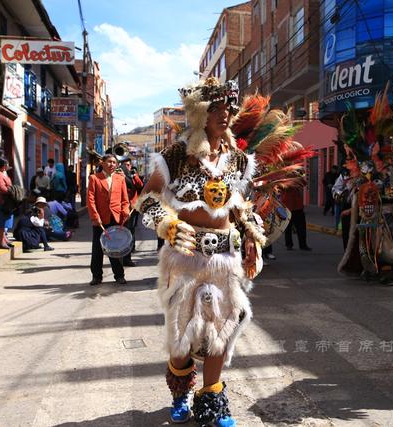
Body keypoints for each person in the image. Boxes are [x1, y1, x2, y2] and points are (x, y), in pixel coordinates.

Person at [136, 77, 264, 426]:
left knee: (220, 331)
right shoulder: (177, 155)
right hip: (185, 258)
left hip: (226, 259)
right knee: (183, 335)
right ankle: (180, 390)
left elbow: (241, 206)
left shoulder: (237, 159)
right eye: (217, 109)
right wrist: (169, 225)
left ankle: (212, 399)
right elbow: (146, 200)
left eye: (229, 110)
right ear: (201, 113)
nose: (225, 116)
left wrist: (252, 238)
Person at [87, 154, 130, 286]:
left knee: (115, 248)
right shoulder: (94, 178)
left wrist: (125, 213)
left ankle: (119, 275)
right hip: (101, 219)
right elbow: (90, 200)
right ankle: (96, 276)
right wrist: (95, 217)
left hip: (116, 218)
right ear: (103, 163)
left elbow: (124, 199)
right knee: (97, 249)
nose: (112, 164)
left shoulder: (120, 178)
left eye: (114, 162)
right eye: (109, 162)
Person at [121, 157, 143, 267]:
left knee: (131, 230)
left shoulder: (133, 175)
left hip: (133, 207)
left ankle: (129, 252)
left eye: (128, 165)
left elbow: (140, 186)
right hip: (122, 207)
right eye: (125, 165)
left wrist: (135, 176)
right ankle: (122, 255)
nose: (127, 167)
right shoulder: (120, 175)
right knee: (123, 231)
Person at [0, 158, 14, 250]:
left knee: (5, 222)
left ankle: (4, 239)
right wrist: (12, 190)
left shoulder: (3, 173)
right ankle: (1, 241)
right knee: (1, 222)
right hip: (1, 201)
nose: (7, 166)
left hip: (7, 201)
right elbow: (2, 188)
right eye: (6, 164)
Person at [282, 187, 311, 251]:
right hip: (288, 206)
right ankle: (289, 245)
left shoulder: (297, 179)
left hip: (298, 206)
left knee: (301, 227)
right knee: (288, 227)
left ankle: (303, 245)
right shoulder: (283, 180)